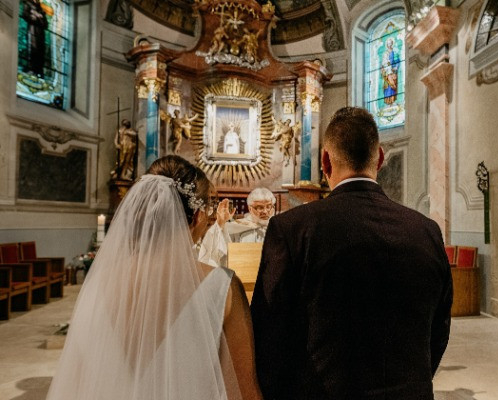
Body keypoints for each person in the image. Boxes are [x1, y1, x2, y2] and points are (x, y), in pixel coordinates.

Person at [251, 107, 453, 400]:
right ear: (380, 158)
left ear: (325, 161)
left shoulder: (292, 229)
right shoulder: (426, 230)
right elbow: (439, 328)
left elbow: (269, 332)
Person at [47, 155, 262, 400]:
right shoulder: (221, 286)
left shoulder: (97, 285)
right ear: (197, 217)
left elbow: (77, 382)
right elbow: (244, 392)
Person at [22, 0, 48, 77]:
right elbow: (25, 15)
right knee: (32, 48)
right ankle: (31, 69)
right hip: (32, 30)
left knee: (40, 51)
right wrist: (35, 17)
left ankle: (39, 71)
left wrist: (39, 17)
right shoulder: (28, 3)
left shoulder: (41, 9)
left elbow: (46, 25)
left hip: (41, 34)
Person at [381, 38, 400, 105]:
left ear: (392, 44)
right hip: (387, 72)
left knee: (393, 85)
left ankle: (393, 100)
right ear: (387, 44)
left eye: (390, 43)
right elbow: (383, 63)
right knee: (388, 86)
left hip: (393, 72)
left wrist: (396, 67)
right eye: (388, 43)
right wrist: (387, 65)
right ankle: (388, 101)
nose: (389, 45)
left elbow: (398, 60)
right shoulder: (385, 53)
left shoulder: (394, 52)